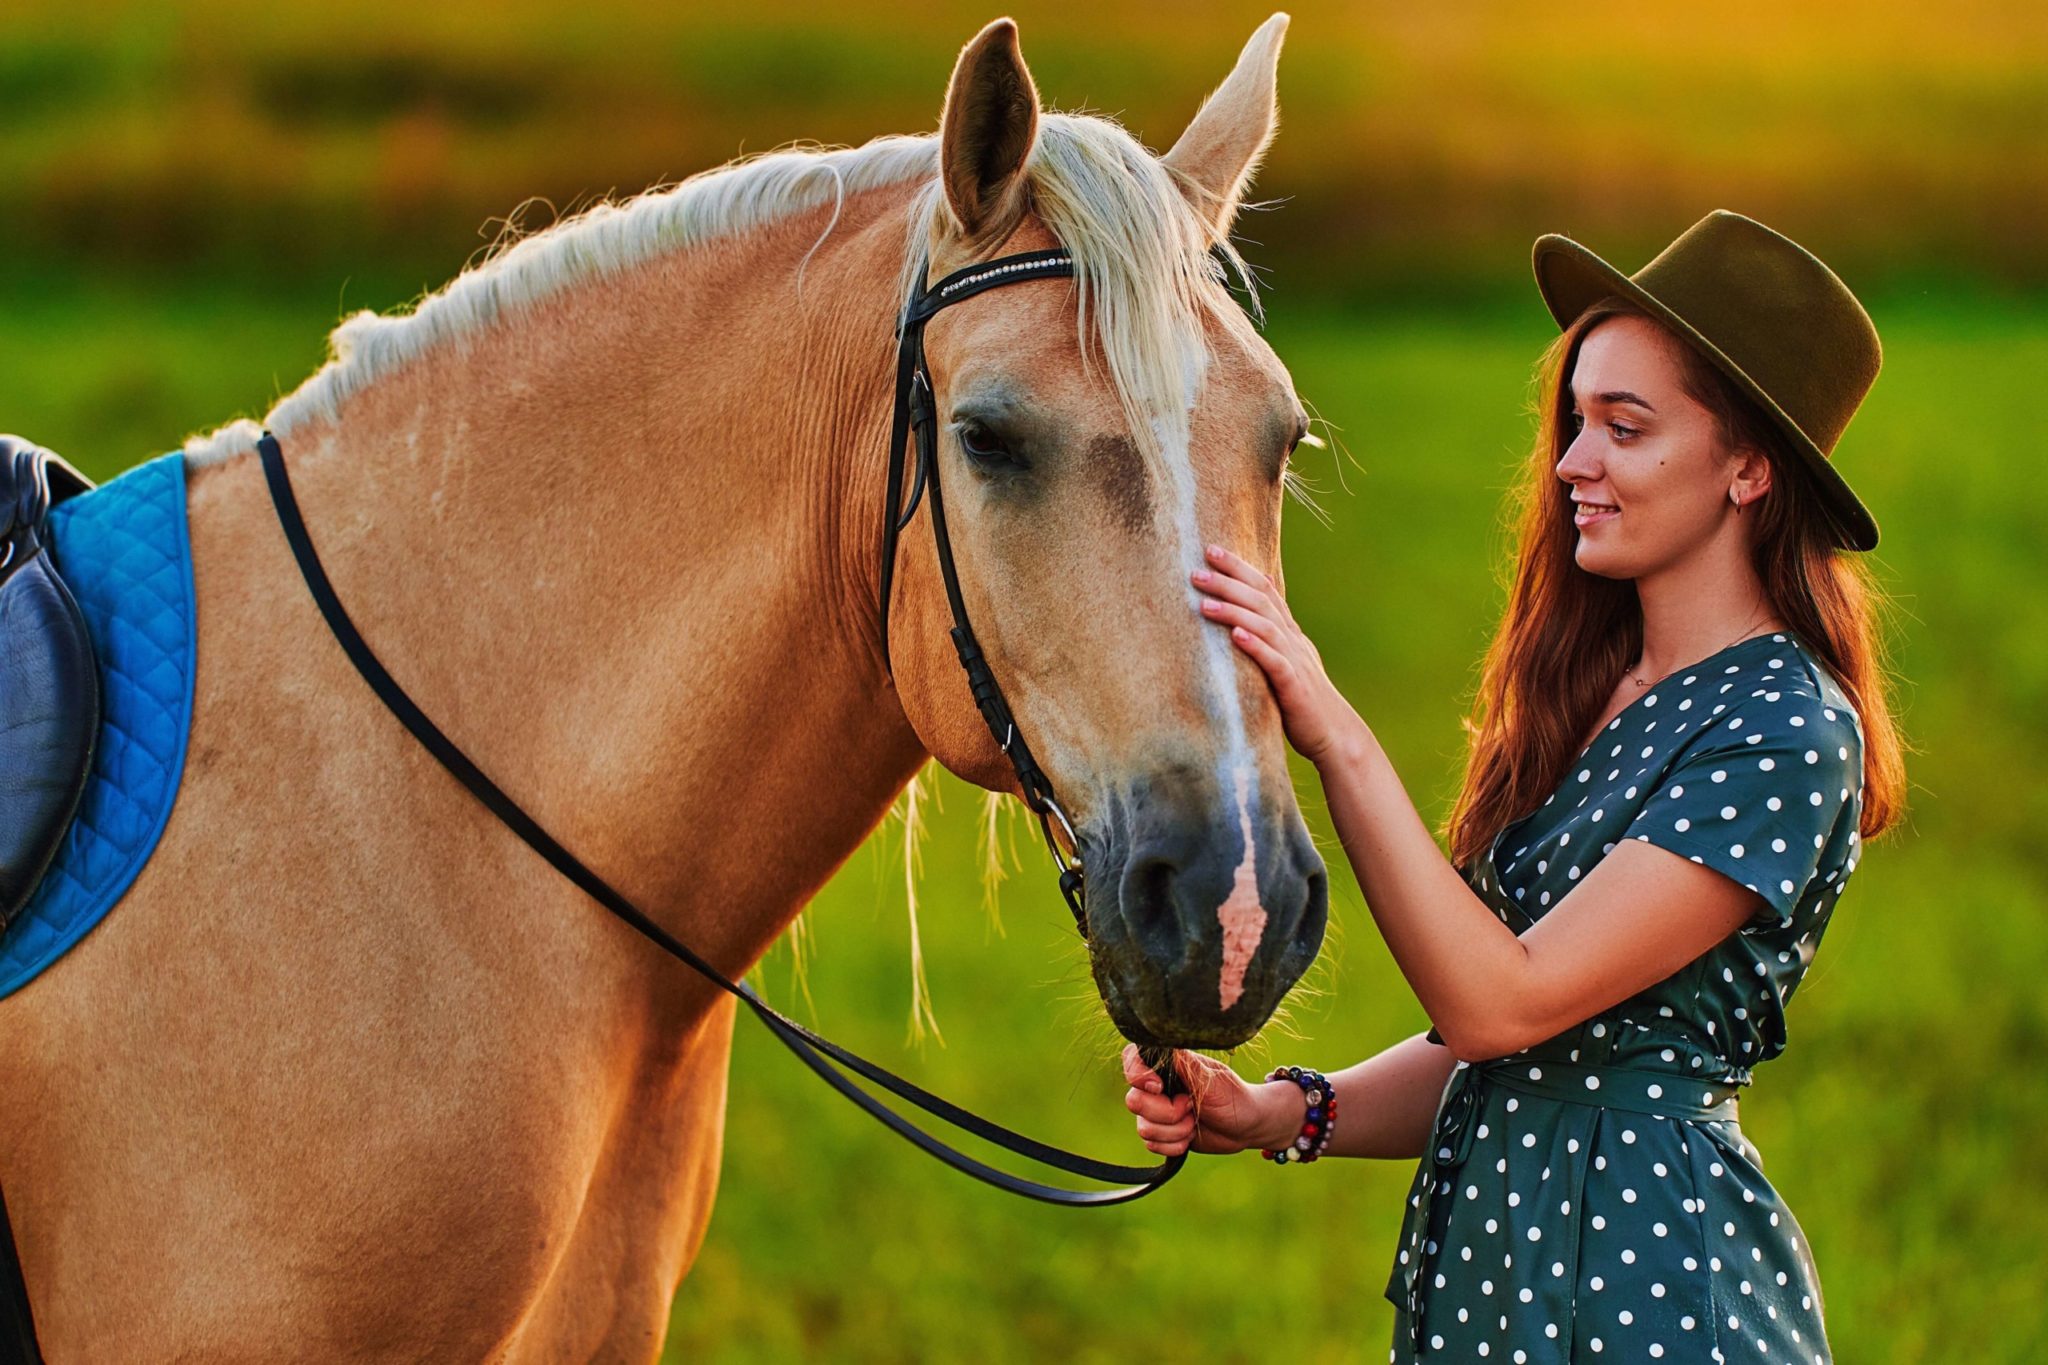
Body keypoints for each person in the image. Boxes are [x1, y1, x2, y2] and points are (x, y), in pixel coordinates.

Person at [1121, 210, 1907, 1363]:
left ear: (1748, 468)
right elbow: (1512, 1061)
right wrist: (1281, 1111)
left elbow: (1505, 1001)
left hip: (1654, 1300)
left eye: (1623, 430)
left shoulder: (1783, 729)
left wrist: (1331, 732)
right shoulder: (1588, 683)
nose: (1572, 464)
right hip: (1492, 1283)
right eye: (1575, 421)